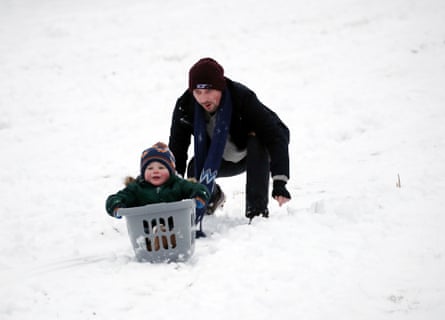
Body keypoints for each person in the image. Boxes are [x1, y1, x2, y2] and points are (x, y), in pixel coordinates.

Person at [168, 57, 291, 223]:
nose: (204, 98)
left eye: (209, 91)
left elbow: (275, 136)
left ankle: (257, 212)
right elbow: (177, 149)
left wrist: (280, 182)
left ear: (220, 88)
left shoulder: (241, 97)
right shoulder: (185, 106)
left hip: (255, 152)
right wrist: (170, 188)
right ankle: (212, 197)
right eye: (198, 92)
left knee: (257, 140)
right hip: (221, 157)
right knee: (194, 168)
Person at [105, 142, 210, 219]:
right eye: (150, 168)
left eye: (161, 168)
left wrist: (199, 195)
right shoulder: (136, 188)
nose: (155, 171)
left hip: (177, 230)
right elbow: (116, 198)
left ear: (170, 172)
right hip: (145, 233)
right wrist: (116, 206)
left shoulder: (177, 184)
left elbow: (197, 188)